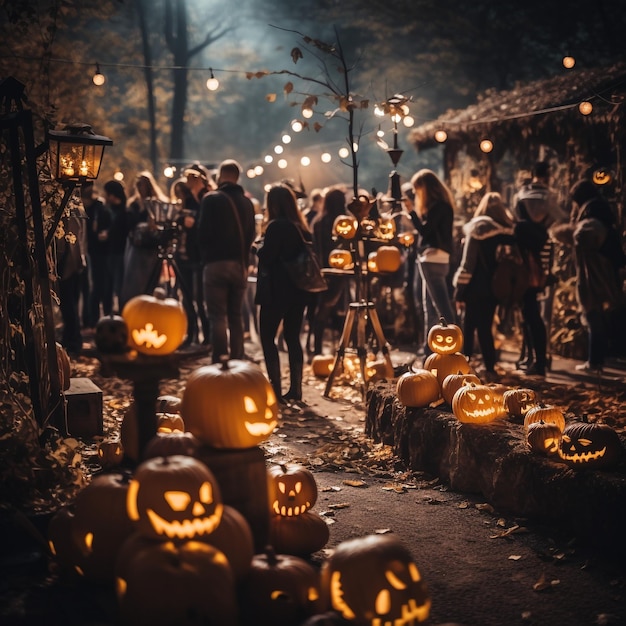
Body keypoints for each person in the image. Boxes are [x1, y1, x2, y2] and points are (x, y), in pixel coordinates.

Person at [552, 179, 626, 373]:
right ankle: (598, 360)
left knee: (594, 317)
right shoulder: (599, 214)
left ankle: (595, 362)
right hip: (603, 275)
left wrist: (568, 228)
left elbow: (580, 237)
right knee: (598, 317)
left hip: (594, 277)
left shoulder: (589, 223)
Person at [254, 183, 313, 405]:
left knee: (268, 338)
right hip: (298, 291)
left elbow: (268, 256)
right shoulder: (301, 227)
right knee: (292, 337)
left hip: (275, 291)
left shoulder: (276, 226)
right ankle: (296, 389)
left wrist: (257, 249)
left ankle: (275, 389)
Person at [196, 159, 256, 362]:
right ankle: (237, 358)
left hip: (215, 264)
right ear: (237, 177)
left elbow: (202, 233)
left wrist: (205, 258)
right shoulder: (247, 203)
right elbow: (251, 235)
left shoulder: (211, 199)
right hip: (239, 265)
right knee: (236, 315)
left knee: (217, 315)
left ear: (221, 176)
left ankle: (220, 358)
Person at [452, 192, 517, 380]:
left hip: (473, 287)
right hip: (495, 288)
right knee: (486, 328)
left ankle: (463, 366)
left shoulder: (477, 230)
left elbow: (468, 264)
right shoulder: (507, 233)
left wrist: (459, 291)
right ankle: (490, 368)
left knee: (468, 326)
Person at [512, 161, 568, 376]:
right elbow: (561, 221)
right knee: (533, 313)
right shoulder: (551, 199)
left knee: (529, 314)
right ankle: (536, 359)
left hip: (523, 262)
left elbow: (516, 225)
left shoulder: (521, 197)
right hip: (542, 259)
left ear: (532, 174)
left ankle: (537, 361)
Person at [407, 169, 456, 355]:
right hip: (438, 258)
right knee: (430, 308)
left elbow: (425, 231)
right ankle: (429, 352)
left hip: (432, 259)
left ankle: (453, 351)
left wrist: (412, 212)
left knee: (441, 309)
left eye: (418, 190)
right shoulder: (444, 206)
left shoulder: (438, 207)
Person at [171, 166, 212, 346]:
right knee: (186, 298)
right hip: (182, 255)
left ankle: (207, 334)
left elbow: (203, 227)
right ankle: (191, 333)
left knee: (200, 298)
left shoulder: (202, 200)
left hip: (197, 257)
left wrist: (192, 224)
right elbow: (179, 222)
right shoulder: (185, 203)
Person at [119, 171, 170, 309]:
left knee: (151, 279)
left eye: (142, 186)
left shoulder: (157, 205)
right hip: (136, 248)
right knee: (133, 281)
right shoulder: (133, 205)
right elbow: (128, 225)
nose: (140, 189)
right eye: (138, 186)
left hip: (152, 248)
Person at [310, 185, 350, 355]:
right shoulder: (342, 223)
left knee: (323, 309)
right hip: (338, 270)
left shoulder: (318, 221)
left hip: (320, 270)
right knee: (334, 308)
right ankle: (342, 347)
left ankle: (317, 347)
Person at [55, 201, 87, 356]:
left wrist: (75, 263)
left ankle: (73, 340)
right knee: (70, 303)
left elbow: (75, 239)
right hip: (70, 262)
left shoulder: (72, 210)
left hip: (69, 263)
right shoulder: (75, 208)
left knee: (69, 304)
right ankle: (71, 337)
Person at [103, 180, 128, 314]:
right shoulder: (108, 210)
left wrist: (108, 234)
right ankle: (110, 314)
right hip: (110, 252)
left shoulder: (124, 212)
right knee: (108, 285)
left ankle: (121, 313)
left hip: (120, 252)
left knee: (119, 286)